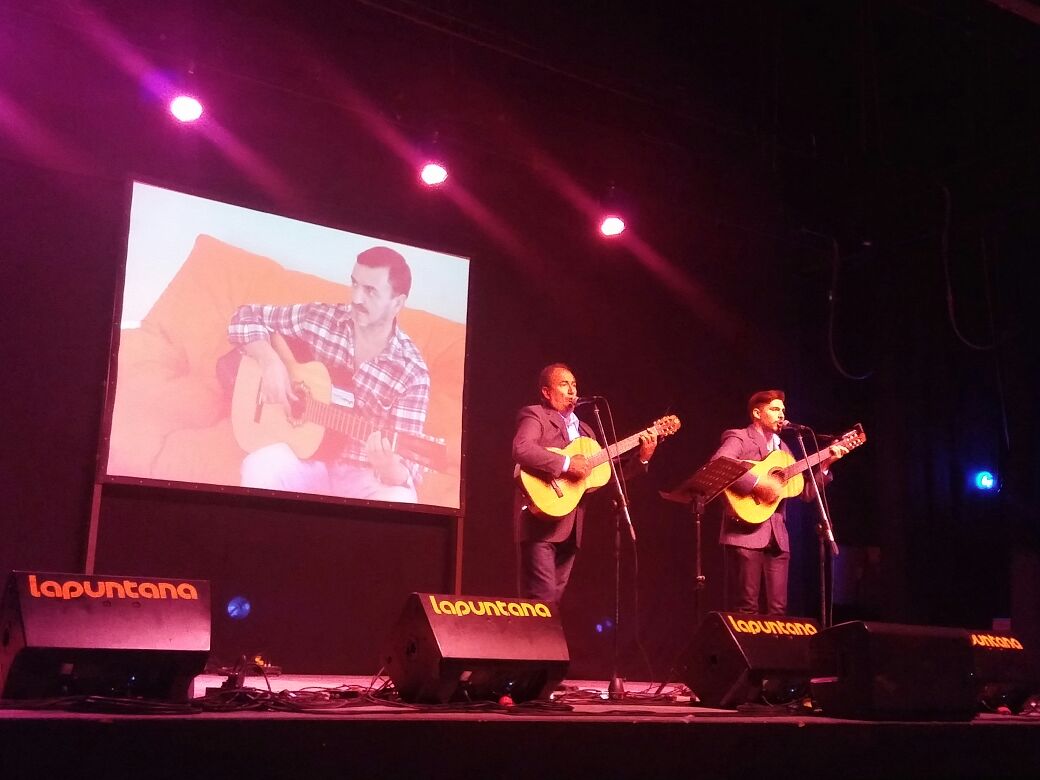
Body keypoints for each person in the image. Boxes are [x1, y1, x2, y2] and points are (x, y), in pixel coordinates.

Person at [227, 246, 430, 502]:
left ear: (397, 303)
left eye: (370, 291)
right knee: (261, 465)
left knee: (402, 500)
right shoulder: (320, 318)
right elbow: (244, 316)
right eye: (354, 284)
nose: (356, 298)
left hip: (363, 476)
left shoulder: (412, 372)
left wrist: (388, 466)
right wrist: (269, 362)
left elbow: (406, 473)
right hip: (306, 459)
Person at [512, 363, 658, 604]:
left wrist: (641, 457)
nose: (571, 390)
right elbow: (522, 448)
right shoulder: (535, 414)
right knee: (540, 603)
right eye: (563, 384)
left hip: (571, 526)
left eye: (574, 385)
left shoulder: (586, 430)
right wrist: (568, 463)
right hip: (540, 521)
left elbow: (606, 473)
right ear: (546, 392)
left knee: (553, 605)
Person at [713, 389, 847, 615]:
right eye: (774, 409)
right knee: (746, 608)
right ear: (757, 413)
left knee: (779, 609)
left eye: (783, 410)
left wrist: (825, 464)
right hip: (746, 531)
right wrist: (758, 485)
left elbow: (804, 492)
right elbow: (720, 463)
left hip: (778, 536)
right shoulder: (739, 437)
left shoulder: (783, 449)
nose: (781, 414)